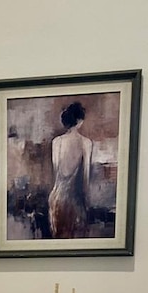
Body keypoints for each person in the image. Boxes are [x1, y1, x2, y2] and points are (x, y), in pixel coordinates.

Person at [48, 101, 92, 239]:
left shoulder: (56, 142)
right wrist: (86, 200)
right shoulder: (86, 143)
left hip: (57, 198)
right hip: (75, 199)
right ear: (79, 120)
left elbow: (57, 172)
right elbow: (86, 176)